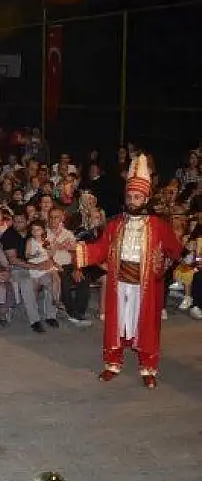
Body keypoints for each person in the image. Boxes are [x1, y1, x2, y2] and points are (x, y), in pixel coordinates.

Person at [74, 155, 183, 388]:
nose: (132, 201)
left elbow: (175, 250)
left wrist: (164, 266)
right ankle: (112, 363)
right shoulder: (115, 224)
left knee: (145, 326)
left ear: (146, 198)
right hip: (119, 282)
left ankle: (148, 367)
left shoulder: (159, 226)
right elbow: (101, 248)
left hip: (146, 287)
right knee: (117, 323)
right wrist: (78, 251)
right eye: (130, 197)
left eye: (137, 197)